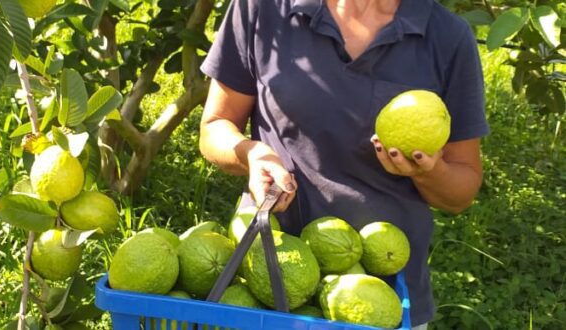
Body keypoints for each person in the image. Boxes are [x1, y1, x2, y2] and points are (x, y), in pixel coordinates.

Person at [198, 0, 489, 328]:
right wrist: (252, 153)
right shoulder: (264, 9)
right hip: (268, 275)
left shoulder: (446, 36)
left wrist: (429, 172)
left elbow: (461, 190)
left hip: (380, 294)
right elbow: (215, 126)